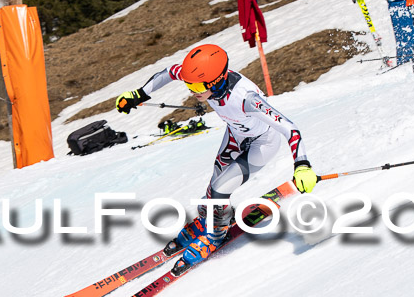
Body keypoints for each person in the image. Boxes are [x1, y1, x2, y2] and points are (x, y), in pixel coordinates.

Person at [115, 44, 317, 270]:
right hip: (236, 134)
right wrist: (139, 94)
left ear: (217, 80)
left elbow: (290, 128)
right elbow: (167, 74)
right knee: (214, 186)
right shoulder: (201, 79)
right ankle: (213, 217)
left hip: (262, 143)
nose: (192, 91)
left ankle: (216, 236)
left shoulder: (246, 98)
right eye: (188, 84)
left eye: (197, 86)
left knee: (221, 188)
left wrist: (302, 165)